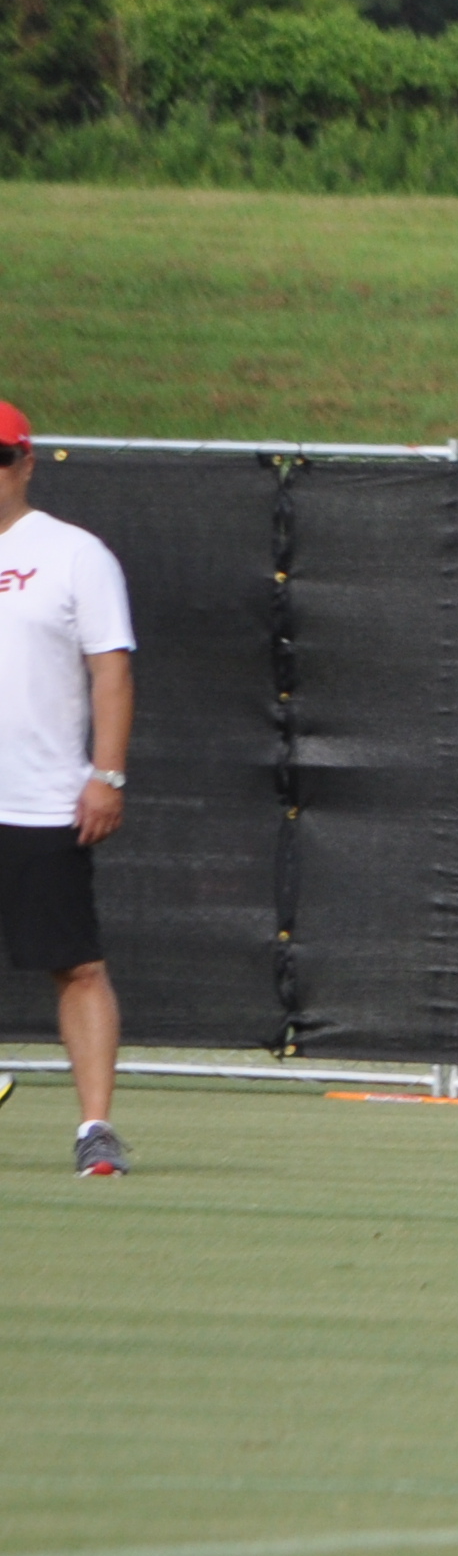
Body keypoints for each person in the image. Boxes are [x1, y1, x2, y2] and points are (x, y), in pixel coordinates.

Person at [0, 404, 134, 1175]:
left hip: (42, 798)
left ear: (25, 463)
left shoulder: (73, 554)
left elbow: (110, 669)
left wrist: (106, 774)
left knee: (75, 965)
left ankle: (95, 1129)